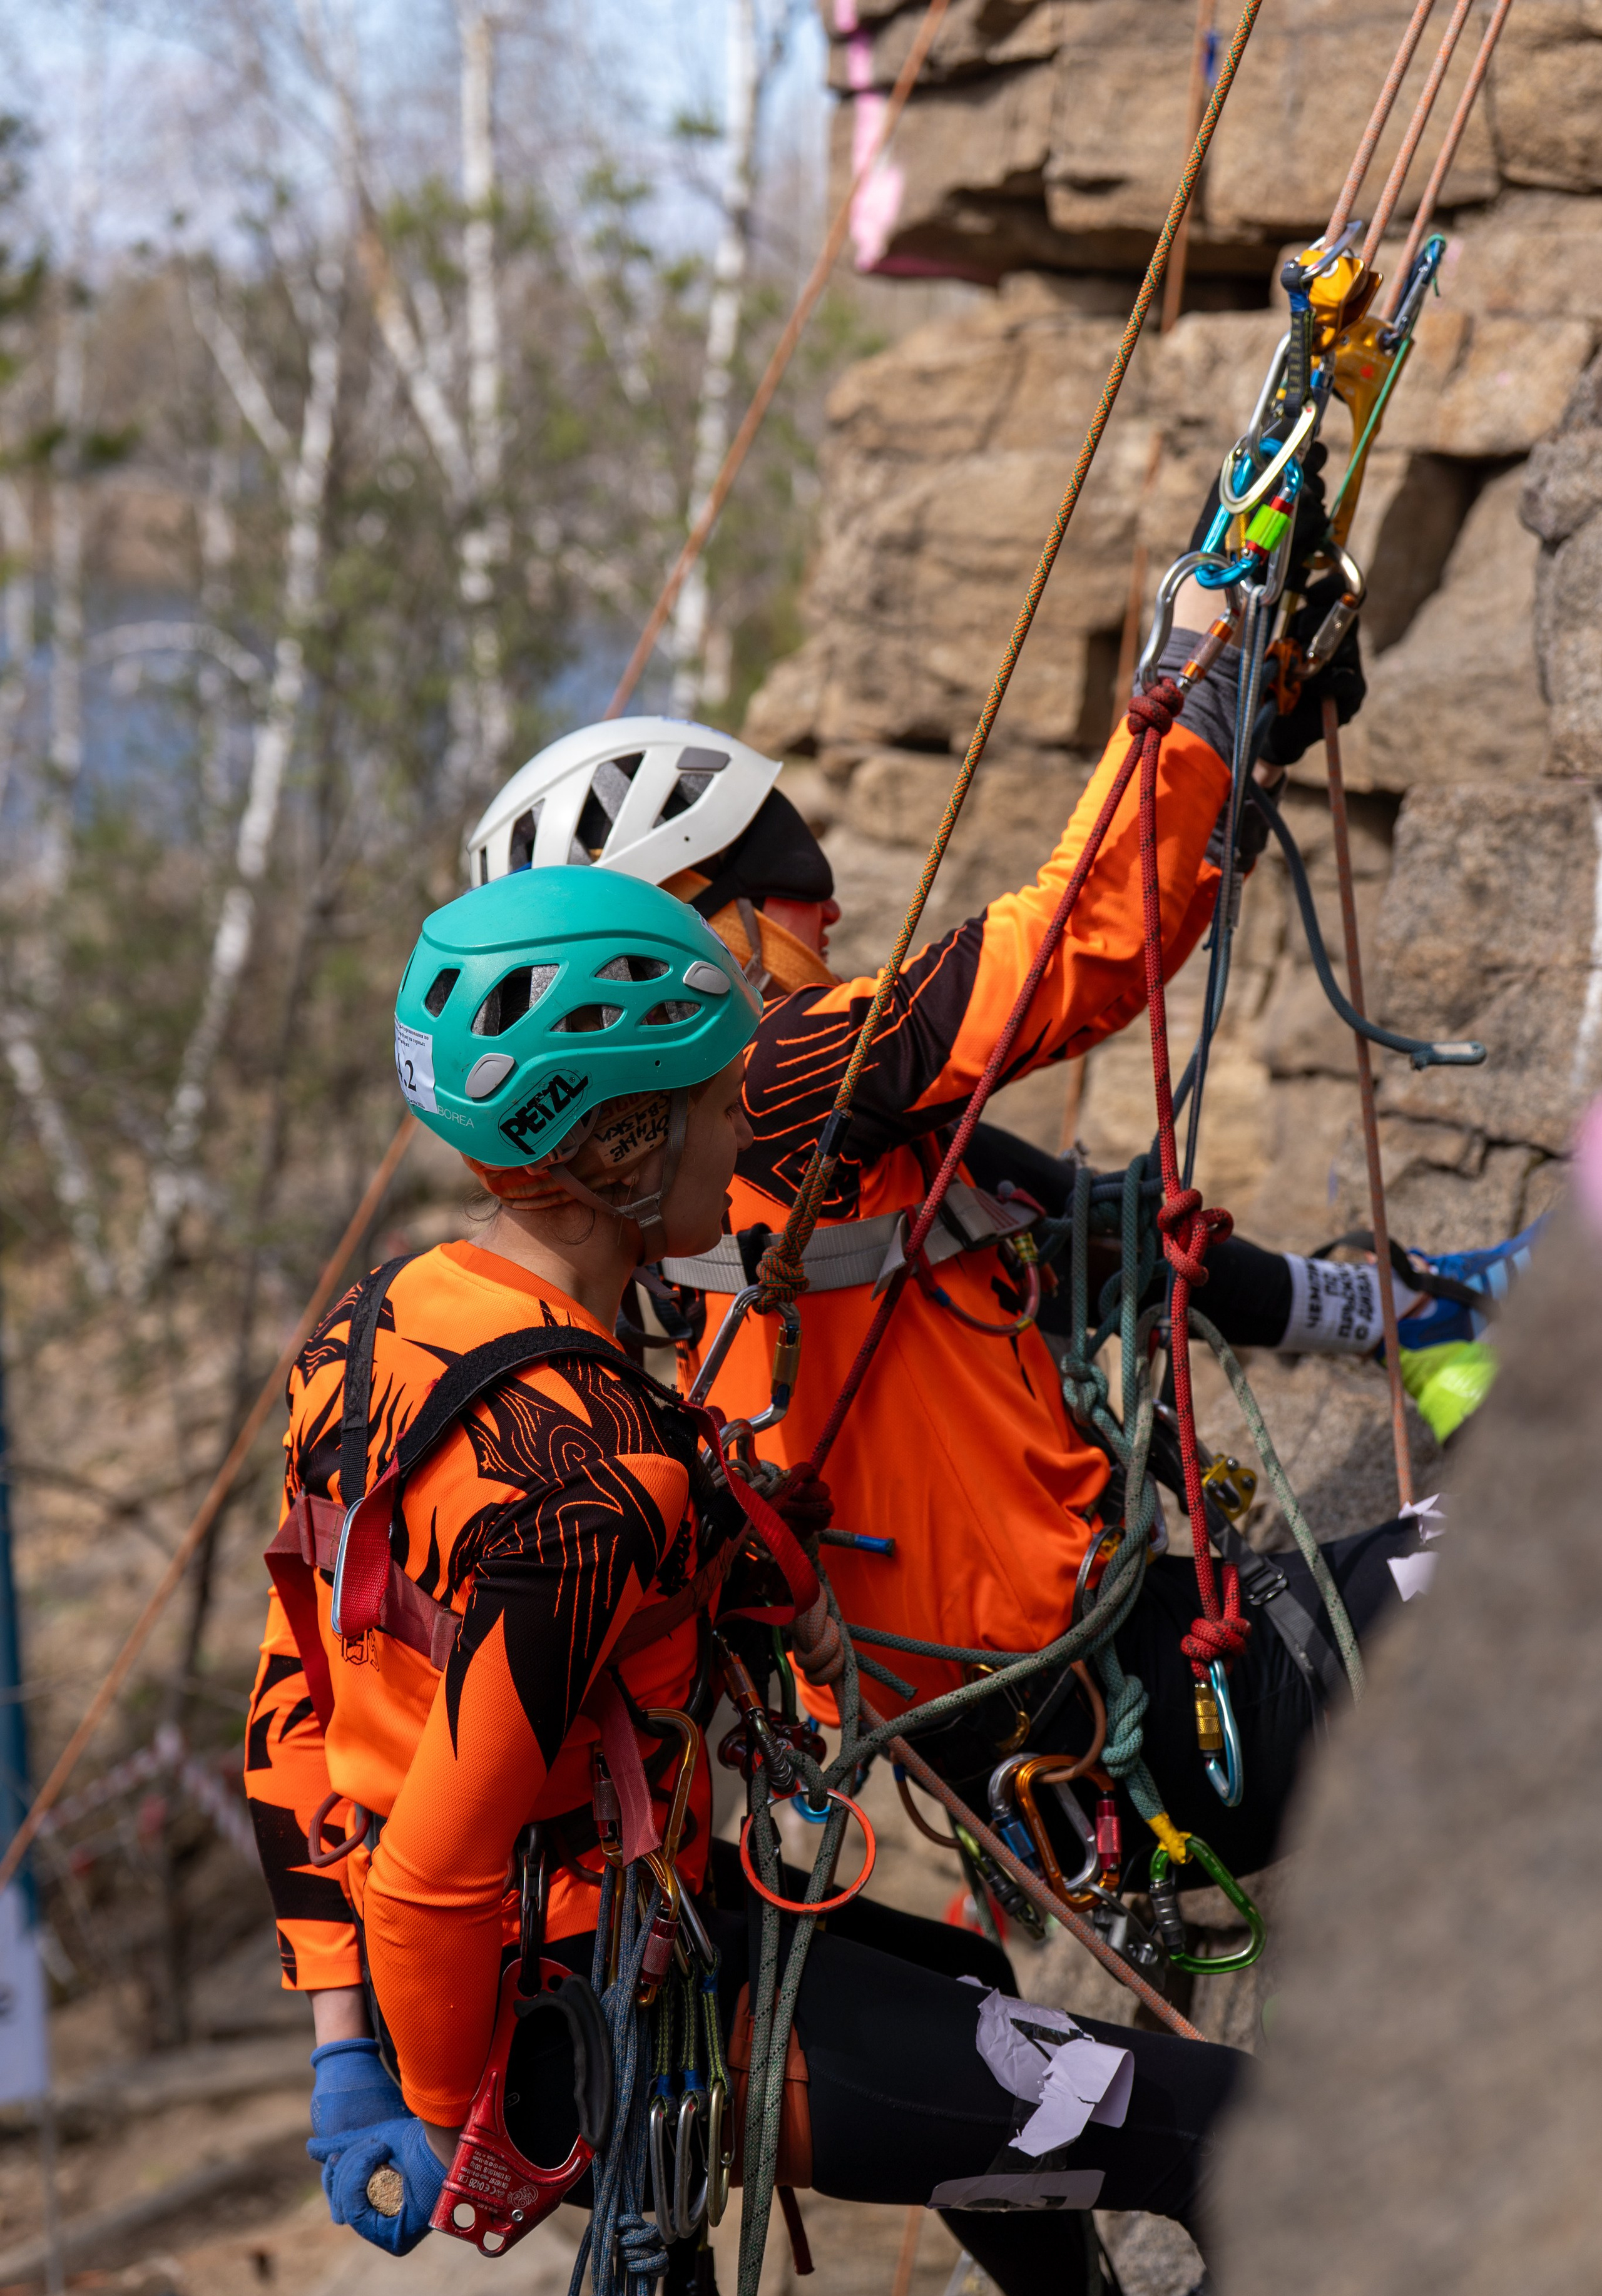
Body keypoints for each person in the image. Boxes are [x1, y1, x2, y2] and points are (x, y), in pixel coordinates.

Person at [245, 865, 1249, 2296]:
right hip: (604, 2021)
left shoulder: (376, 1332)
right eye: (714, 1103)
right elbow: (438, 1860)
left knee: (972, 1994)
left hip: (587, 1953)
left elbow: (297, 1703)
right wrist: (466, 2125)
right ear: (624, 1143)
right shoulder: (584, 1486)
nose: (744, 1131)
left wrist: (340, 2050)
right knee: (1245, 2133)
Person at [459, 608, 1535, 1891]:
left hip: (1067, 1738)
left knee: (1060, 1212)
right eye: (794, 896)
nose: (835, 909)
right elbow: (1071, 949)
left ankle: (1409, 1309)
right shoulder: (771, 1080)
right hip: (1133, 1721)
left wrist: (1210, 787)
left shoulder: (687, 1193)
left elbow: (1097, 1236)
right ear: (694, 927)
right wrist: (1200, 684)